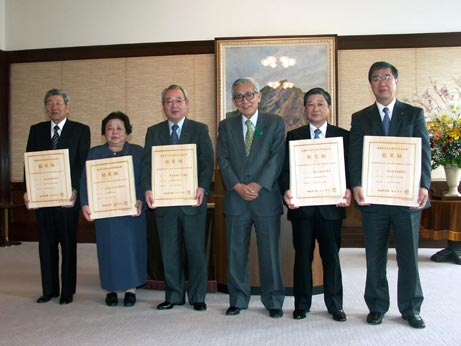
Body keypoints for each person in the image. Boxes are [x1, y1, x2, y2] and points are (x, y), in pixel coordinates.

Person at [349, 61, 431, 329]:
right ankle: (376, 305)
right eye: (375, 78)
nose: (382, 82)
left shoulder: (414, 113)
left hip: (406, 198)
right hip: (373, 199)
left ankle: (411, 308)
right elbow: (355, 154)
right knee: (375, 257)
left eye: (386, 77)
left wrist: (424, 185)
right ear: (371, 85)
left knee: (409, 256)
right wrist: (357, 184)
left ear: (395, 81)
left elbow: (424, 154)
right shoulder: (360, 118)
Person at [279, 87, 351, 322]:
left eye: (320, 104)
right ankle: (302, 304)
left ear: (328, 108)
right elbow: (285, 171)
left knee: (332, 257)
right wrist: (286, 191)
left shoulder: (343, 136)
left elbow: (349, 170)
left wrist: (348, 189)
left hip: (332, 209)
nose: (315, 108)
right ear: (304, 109)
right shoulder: (294, 136)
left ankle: (335, 305)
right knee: (302, 258)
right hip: (303, 210)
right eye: (311, 104)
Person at [141, 84, 214, 311]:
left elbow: (207, 162)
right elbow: (146, 165)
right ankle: (173, 295)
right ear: (163, 106)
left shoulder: (199, 129)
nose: (174, 105)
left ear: (187, 103)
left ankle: (197, 296)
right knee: (169, 251)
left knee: (195, 251)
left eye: (178, 100)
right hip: (165, 203)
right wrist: (147, 189)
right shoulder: (154, 132)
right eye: (169, 101)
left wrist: (203, 186)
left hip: (192, 201)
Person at [217, 77, 285, 318]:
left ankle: (274, 300)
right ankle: (237, 299)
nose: (244, 100)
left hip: (265, 197)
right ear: (234, 101)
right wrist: (236, 185)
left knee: (270, 252)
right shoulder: (226, 126)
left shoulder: (275, 123)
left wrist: (257, 184)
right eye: (238, 96)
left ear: (258, 96)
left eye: (248, 95)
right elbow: (223, 159)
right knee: (236, 252)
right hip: (236, 199)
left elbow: (276, 158)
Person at [24, 88, 90, 304]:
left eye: (58, 103)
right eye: (50, 103)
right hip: (43, 198)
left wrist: (75, 189)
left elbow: (81, 162)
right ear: (46, 108)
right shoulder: (36, 130)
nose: (54, 107)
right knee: (46, 244)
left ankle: (67, 292)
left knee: (68, 244)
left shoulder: (80, 130)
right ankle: (49, 289)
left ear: (67, 107)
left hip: (67, 199)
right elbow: (29, 162)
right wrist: (28, 190)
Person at [80, 111, 146, 307]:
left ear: (127, 132)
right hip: (105, 212)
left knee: (131, 248)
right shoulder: (94, 153)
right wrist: (85, 203)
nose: (114, 132)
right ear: (104, 133)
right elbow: (84, 181)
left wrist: (141, 199)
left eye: (119, 128)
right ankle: (110, 289)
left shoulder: (138, 152)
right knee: (108, 249)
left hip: (131, 211)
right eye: (109, 128)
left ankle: (130, 289)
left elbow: (145, 179)